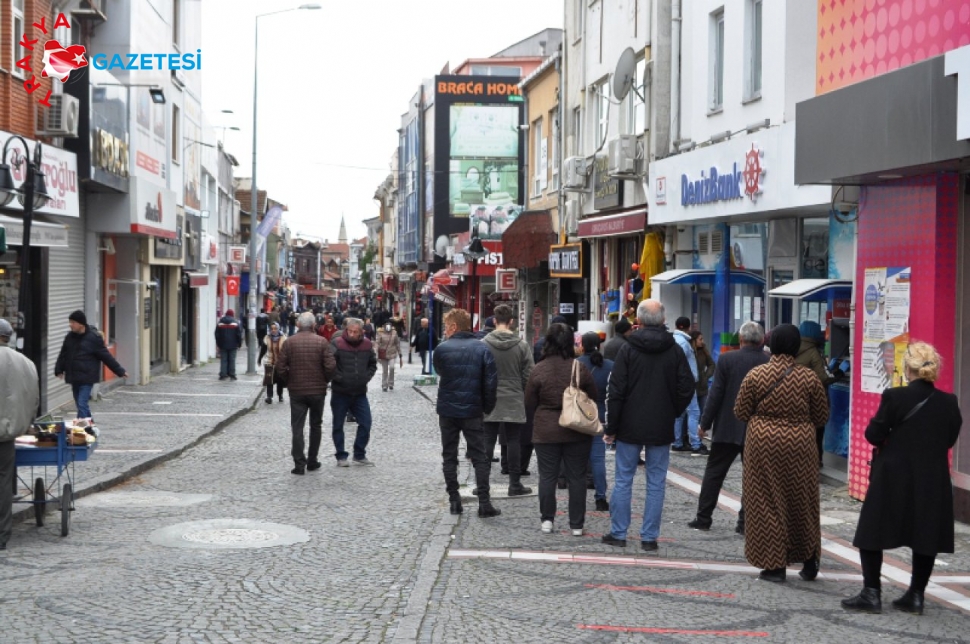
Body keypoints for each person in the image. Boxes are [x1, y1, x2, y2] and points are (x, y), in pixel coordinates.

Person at [841, 342, 963, 615]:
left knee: (872, 531)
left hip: (893, 474)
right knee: (926, 534)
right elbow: (949, 438)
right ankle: (915, 595)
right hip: (932, 477)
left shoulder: (894, 396)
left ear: (908, 367)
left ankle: (871, 593)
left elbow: (873, 435)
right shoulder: (949, 402)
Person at [734, 323, 829, 582]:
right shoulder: (809, 377)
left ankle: (774, 565)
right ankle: (810, 559)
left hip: (762, 443)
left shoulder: (756, 375)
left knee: (766, 501)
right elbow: (821, 415)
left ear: (771, 344)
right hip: (800, 444)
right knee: (803, 500)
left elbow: (741, 412)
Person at [601, 300, 694, 552]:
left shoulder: (628, 350)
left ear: (638, 322)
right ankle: (649, 538)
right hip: (661, 424)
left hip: (629, 424)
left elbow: (616, 391)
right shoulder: (674, 349)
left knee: (623, 480)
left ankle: (619, 533)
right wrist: (672, 410)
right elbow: (687, 386)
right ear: (664, 321)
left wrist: (611, 427)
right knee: (656, 481)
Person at [688, 321, 768, 534]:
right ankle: (744, 523)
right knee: (753, 478)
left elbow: (716, 394)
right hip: (758, 431)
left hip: (727, 427)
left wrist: (704, 424)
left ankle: (703, 518)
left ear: (740, 340)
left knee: (714, 473)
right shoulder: (769, 361)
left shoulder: (727, 359)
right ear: (762, 340)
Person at [525, 323, 598, 536]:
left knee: (547, 477)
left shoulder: (539, 369)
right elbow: (593, 395)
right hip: (577, 429)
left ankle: (547, 520)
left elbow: (529, 402)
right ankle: (576, 524)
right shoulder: (579, 368)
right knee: (577, 477)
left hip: (546, 430)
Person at [433, 308, 500, 518]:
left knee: (449, 455)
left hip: (448, 410)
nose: (444, 331)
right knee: (480, 457)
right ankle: (484, 503)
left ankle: (454, 500)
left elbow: (441, 371)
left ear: (454, 327)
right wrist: (486, 407)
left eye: (446, 327)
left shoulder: (442, 350)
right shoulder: (482, 349)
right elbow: (490, 383)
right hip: (472, 409)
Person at [275, 312, 337, 475]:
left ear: (298, 325)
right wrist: (325, 380)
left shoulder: (289, 343)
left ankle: (299, 464)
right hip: (317, 391)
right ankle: (312, 460)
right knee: (315, 425)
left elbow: (280, 367)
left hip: (297, 391)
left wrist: (289, 381)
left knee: (297, 427)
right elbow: (331, 366)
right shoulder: (322, 342)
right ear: (314, 325)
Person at [482, 305, 534, 497]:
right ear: (511, 321)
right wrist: (521, 391)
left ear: (494, 321)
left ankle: (483, 484)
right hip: (513, 396)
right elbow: (529, 374)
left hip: (490, 396)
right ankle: (514, 483)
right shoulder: (522, 345)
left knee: (488, 440)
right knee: (513, 440)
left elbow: (479, 372)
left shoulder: (483, 344)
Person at [0, 319, 40, 551]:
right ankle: (2, 535)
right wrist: (24, 424)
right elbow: (33, 400)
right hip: (7, 434)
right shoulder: (26, 363)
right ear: (9, 336)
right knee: (4, 482)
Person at [54, 310, 128, 420]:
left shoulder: (93, 338)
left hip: (87, 377)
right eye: (70, 322)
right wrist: (59, 369)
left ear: (81, 323)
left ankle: (81, 429)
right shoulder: (69, 337)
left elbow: (106, 356)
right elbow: (63, 354)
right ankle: (90, 425)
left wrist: (120, 371)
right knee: (80, 405)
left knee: (82, 403)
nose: (70, 325)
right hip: (74, 377)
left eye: (73, 322)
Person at [329, 318, 378, 466]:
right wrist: (339, 378)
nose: (351, 334)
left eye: (355, 332)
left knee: (366, 423)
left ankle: (359, 453)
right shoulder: (337, 343)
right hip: (340, 392)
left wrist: (365, 378)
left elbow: (372, 364)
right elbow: (329, 364)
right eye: (349, 331)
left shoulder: (367, 345)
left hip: (359, 392)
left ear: (361, 332)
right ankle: (341, 456)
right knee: (338, 425)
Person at [577, 332, 614, 512]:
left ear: (582, 346)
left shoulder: (575, 364)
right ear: (599, 345)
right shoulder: (609, 366)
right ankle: (601, 497)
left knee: (577, 459)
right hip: (600, 416)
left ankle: (577, 498)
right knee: (598, 460)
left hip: (578, 417)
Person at [797, 320, 837, 467]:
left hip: (796, 398)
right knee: (817, 431)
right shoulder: (813, 352)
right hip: (814, 399)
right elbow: (823, 377)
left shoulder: (793, 347)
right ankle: (816, 462)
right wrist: (838, 372)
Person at [670, 316, 705, 455]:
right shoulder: (684, 343)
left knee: (680, 413)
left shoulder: (675, 340)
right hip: (686, 383)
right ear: (688, 327)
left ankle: (677, 442)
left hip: (679, 383)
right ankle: (696, 444)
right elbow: (680, 364)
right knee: (694, 412)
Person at [691, 330, 717, 413]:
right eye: (700, 339)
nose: (702, 341)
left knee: (704, 411)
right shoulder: (689, 351)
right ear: (694, 340)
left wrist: (706, 376)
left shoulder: (704, 350)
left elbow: (712, 364)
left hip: (702, 387)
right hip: (692, 388)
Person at [214, 309, 244, 381]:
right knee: (232, 360)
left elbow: (216, 334)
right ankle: (232, 375)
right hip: (233, 345)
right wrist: (239, 344)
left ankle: (223, 375)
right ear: (232, 314)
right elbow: (239, 335)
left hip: (223, 344)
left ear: (226, 314)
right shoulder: (235, 323)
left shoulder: (220, 322)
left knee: (223, 360)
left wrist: (218, 343)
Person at [262, 322, 286, 404]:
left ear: (278, 329)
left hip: (280, 362)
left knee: (280, 380)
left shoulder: (283, 338)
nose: (273, 330)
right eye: (272, 329)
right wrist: (259, 358)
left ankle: (280, 395)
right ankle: (269, 397)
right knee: (269, 380)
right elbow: (263, 349)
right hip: (269, 361)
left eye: (275, 328)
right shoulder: (267, 338)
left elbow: (286, 351)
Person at [375, 322, 402, 392]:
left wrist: (400, 353)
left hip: (392, 354)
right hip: (383, 354)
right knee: (385, 370)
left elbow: (397, 343)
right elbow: (377, 343)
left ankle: (391, 383)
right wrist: (376, 352)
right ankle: (384, 385)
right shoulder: (380, 333)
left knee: (392, 367)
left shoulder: (394, 333)